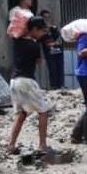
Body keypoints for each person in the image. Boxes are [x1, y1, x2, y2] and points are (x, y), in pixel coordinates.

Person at [6, 16, 50, 155]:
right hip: (26, 81)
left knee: (22, 114)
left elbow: (11, 31)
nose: (43, 34)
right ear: (34, 29)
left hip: (14, 81)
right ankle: (42, 145)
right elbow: (38, 61)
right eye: (41, 31)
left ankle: (11, 145)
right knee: (43, 111)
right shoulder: (34, 45)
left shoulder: (17, 41)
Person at [40, 10, 64, 89]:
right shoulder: (41, 29)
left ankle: (61, 84)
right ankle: (53, 85)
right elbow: (42, 39)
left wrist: (52, 28)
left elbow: (58, 36)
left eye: (48, 17)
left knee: (59, 66)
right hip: (49, 50)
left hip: (57, 49)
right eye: (45, 17)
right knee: (52, 67)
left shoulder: (53, 27)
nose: (47, 19)